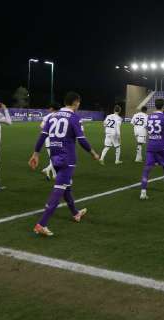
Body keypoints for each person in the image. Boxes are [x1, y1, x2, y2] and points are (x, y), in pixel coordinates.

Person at [28, 92, 100, 236]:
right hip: (67, 158)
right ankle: (41, 224)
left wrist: (35, 153)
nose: (79, 105)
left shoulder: (51, 116)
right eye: (78, 102)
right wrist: (93, 153)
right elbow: (81, 139)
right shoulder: (74, 118)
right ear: (75, 102)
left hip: (54, 156)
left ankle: (75, 213)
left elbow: (42, 136)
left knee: (66, 186)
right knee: (59, 190)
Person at [41, 103, 59, 180]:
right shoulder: (60, 116)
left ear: (51, 109)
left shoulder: (47, 117)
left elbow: (41, 126)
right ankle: (48, 170)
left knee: (53, 158)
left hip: (48, 140)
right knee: (58, 158)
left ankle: (54, 175)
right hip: (57, 140)